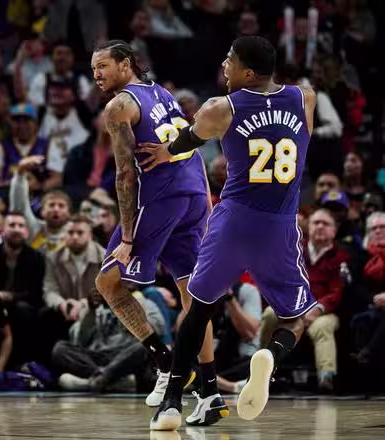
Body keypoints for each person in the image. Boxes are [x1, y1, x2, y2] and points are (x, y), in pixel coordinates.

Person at [138, 36, 316, 431]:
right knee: (294, 320)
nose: (224, 64)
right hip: (280, 224)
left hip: (234, 220)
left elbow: (189, 140)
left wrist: (166, 152)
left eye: (230, 60)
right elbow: (302, 140)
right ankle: (269, 356)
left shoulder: (221, 108)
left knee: (198, 309)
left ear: (247, 73)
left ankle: (170, 404)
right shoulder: (305, 97)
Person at [90, 40, 227, 426]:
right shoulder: (162, 93)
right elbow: (192, 146)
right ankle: (210, 393)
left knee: (108, 283)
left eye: (103, 66)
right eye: (93, 68)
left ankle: (165, 363)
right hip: (193, 194)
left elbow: (125, 174)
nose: (97, 74)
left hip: (161, 197)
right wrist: (206, 204)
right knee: (193, 296)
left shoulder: (118, 106)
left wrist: (127, 238)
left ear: (126, 64)